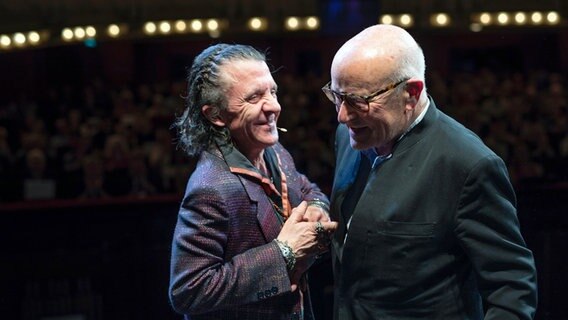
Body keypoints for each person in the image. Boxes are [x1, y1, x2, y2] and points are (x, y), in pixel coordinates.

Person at [324, 24, 538, 319]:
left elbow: (512, 288)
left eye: (359, 101)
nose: (342, 115)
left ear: (411, 93)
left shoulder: (468, 164)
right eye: (337, 96)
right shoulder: (349, 135)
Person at [168, 43, 338, 320]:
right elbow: (188, 291)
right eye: (254, 97)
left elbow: (307, 189)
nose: (273, 106)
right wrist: (284, 253)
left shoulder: (273, 151)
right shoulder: (210, 188)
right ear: (215, 115)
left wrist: (317, 207)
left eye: (272, 91)